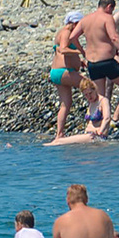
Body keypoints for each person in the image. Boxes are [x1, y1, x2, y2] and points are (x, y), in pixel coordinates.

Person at [77, 0, 119, 126]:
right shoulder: (107, 18)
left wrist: (83, 52)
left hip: (92, 63)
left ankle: (97, 126)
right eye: (112, 10)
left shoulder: (85, 19)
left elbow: (73, 37)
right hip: (106, 61)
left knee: (100, 95)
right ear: (108, 7)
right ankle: (115, 118)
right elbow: (114, 37)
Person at [49, 10, 93, 141]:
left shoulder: (64, 32)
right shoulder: (66, 32)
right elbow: (63, 50)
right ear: (73, 23)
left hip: (57, 72)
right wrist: (80, 52)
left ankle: (59, 134)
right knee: (92, 87)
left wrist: (79, 62)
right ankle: (95, 123)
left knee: (66, 104)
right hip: (64, 72)